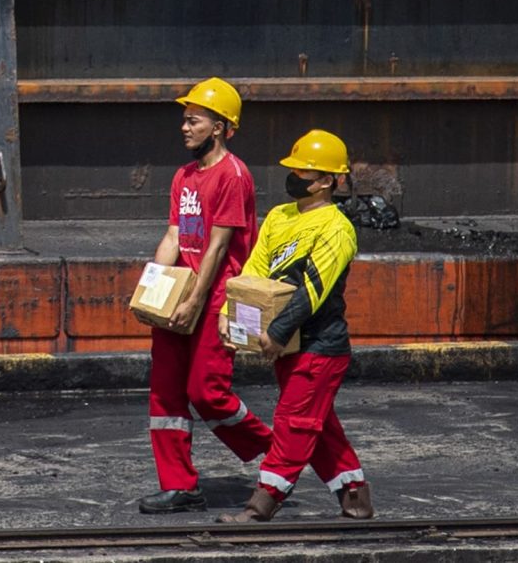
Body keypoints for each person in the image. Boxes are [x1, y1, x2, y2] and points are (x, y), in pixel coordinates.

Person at [135, 77, 275, 514]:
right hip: (183, 294)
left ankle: (277, 450)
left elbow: (217, 248)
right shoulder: (184, 177)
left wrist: (195, 301)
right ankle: (180, 486)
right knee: (166, 394)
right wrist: (152, 289)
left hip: (215, 300)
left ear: (218, 127)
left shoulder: (233, 176)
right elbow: (175, 235)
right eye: (184, 119)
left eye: (193, 120)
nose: (184, 127)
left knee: (206, 391)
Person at [223, 128, 373, 523]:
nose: (295, 177)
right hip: (289, 346)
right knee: (320, 426)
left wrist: (275, 332)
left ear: (327, 181)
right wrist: (234, 316)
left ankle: (262, 505)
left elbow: (313, 290)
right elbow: (254, 273)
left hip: (320, 347)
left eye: (305, 171)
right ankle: (356, 499)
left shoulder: (337, 228)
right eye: (294, 169)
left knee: (295, 423)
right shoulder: (279, 216)